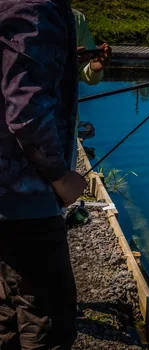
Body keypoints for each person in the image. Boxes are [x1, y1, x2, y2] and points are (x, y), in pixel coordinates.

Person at [0, 1, 87, 348]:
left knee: (9, 312)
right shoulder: (36, 7)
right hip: (24, 198)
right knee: (48, 320)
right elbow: (26, 109)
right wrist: (60, 177)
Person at [73, 8, 112, 145]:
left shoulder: (76, 18)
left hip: (65, 121)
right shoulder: (9, 10)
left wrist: (94, 67)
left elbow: (87, 72)